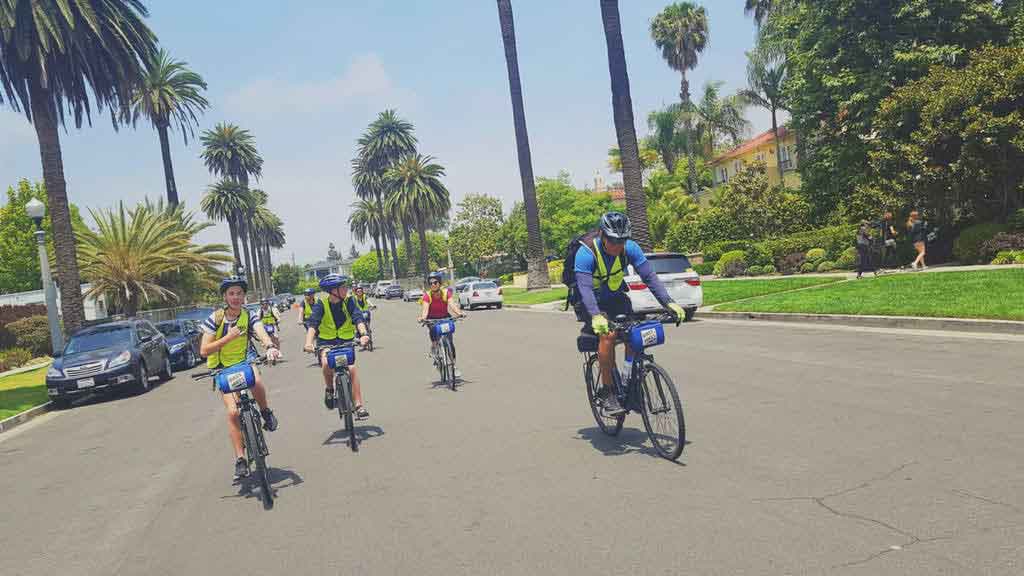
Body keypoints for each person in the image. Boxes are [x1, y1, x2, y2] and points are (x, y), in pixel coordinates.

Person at [574, 212, 686, 416]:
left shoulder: (630, 248)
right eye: (613, 241)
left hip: (616, 297)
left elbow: (649, 277)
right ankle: (607, 391)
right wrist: (596, 315)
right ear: (602, 235)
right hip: (591, 301)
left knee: (635, 333)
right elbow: (585, 288)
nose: (618, 246)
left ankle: (628, 382)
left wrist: (669, 303)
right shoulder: (586, 252)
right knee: (608, 335)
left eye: (622, 241)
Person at [199, 276, 282, 481]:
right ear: (225, 297)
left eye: (239, 293)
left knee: (257, 382)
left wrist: (269, 346)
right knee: (233, 412)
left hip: (245, 360)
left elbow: (261, 331)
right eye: (231, 293)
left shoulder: (249, 315)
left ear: (244, 296)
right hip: (222, 368)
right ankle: (240, 459)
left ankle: (265, 412)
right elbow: (203, 350)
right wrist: (228, 337)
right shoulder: (214, 319)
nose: (235, 297)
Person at [302, 274, 371, 418]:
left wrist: (364, 334)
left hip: (346, 341)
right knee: (326, 363)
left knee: (352, 369)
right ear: (334, 290)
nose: (347, 289)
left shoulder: (350, 301)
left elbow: (357, 317)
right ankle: (329, 389)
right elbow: (313, 324)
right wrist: (308, 343)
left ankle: (359, 406)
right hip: (326, 342)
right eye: (343, 287)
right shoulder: (321, 304)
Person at [417, 272, 464, 376]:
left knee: (450, 342)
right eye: (431, 283)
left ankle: (454, 366)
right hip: (432, 319)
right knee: (433, 332)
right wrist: (422, 318)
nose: (433, 285)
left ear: (440, 283)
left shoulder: (446, 293)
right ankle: (434, 348)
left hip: (445, 317)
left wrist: (459, 313)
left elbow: (452, 305)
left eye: (435, 282)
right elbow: (425, 310)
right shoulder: (427, 296)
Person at [352, 285, 375, 349]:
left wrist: (372, 305)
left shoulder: (365, 297)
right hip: (358, 314)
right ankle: (359, 338)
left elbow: (369, 302)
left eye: (360, 291)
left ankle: (368, 327)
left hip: (365, 312)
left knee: (368, 319)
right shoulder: (354, 298)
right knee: (358, 326)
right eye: (358, 291)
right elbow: (352, 305)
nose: (359, 292)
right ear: (356, 292)